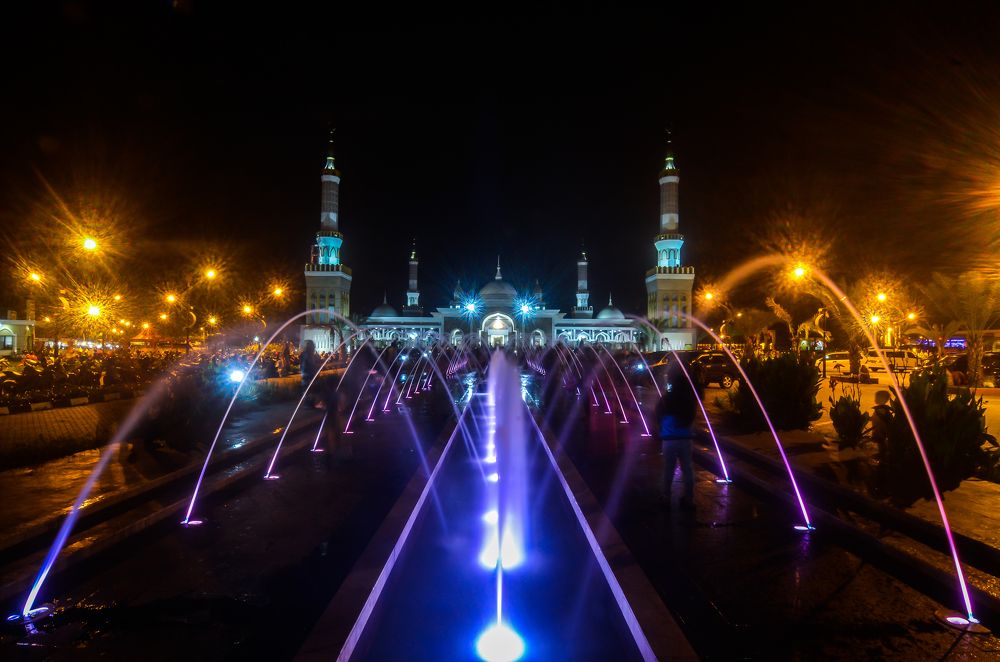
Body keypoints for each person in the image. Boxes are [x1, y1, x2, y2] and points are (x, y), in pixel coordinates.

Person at [657, 360, 700, 510]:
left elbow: (658, 413)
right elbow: (691, 417)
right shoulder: (688, 401)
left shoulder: (667, 398)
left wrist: (662, 427)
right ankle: (689, 499)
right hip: (685, 439)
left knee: (668, 469)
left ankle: (666, 497)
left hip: (669, 439)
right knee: (687, 468)